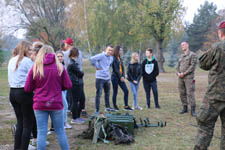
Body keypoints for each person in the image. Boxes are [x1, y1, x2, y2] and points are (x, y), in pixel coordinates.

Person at [24, 45, 72, 150]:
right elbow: (68, 85)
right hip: (56, 103)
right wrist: (59, 87)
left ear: (40, 54)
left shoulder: (36, 68)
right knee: (60, 131)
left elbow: (27, 88)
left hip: (39, 103)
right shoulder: (60, 67)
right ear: (53, 54)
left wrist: (37, 87)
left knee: (41, 132)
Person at [194, 22, 225, 150]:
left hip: (215, 95)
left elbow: (203, 64)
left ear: (220, 32)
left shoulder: (218, 47)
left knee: (205, 126)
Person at [8, 40, 35, 150]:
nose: (31, 51)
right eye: (29, 49)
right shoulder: (27, 61)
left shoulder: (11, 60)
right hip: (24, 93)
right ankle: (23, 148)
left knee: (20, 122)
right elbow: (36, 75)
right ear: (24, 49)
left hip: (13, 93)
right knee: (28, 123)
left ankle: (17, 148)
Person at [90, 46, 114, 113]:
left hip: (107, 78)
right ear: (106, 49)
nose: (110, 52)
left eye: (111, 50)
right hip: (100, 78)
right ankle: (97, 109)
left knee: (107, 93)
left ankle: (107, 107)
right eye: (109, 50)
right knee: (99, 94)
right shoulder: (101, 55)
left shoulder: (111, 58)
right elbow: (92, 59)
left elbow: (109, 66)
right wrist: (97, 66)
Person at [176, 42, 197, 116]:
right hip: (180, 77)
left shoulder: (192, 55)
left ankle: (193, 110)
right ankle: (185, 108)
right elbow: (177, 66)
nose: (182, 46)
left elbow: (192, 66)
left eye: (184, 45)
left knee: (190, 93)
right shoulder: (181, 56)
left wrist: (184, 73)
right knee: (182, 93)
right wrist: (178, 73)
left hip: (188, 77)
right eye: (181, 45)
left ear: (187, 45)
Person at [67, 47, 85, 124]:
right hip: (75, 85)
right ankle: (75, 118)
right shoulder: (72, 64)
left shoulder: (73, 63)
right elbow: (81, 73)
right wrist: (81, 73)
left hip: (78, 84)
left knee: (82, 100)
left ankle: (77, 116)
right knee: (75, 101)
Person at [111, 46, 132, 111]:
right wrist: (120, 77)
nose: (121, 52)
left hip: (121, 77)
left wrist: (123, 76)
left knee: (126, 91)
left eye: (122, 50)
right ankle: (115, 106)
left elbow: (122, 68)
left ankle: (126, 106)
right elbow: (116, 69)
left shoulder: (120, 58)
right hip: (115, 77)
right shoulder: (113, 58)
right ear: (117, 51)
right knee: (115, 92)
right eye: (120, 50)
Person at [56, 51, 72, 128]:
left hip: (64, 89)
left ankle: (63, 122)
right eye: (58, 56)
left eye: (61, 56)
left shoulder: (63, 65)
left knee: (63, 106)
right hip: (58, 89)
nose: (60, 58)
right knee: (65, 105)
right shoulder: (55, 66)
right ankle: (63, 123)